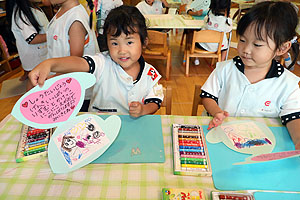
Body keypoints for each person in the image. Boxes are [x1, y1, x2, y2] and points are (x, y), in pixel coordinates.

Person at [28, 5, 164, 118]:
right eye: (115, 43)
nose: (122, 50)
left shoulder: (150, 73)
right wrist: (50, 63)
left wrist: (143, 110)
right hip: (98, 132)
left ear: (144, 42)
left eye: (129, 42)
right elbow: (80, 63)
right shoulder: (102, 62)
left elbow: (154, 101)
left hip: (132, 131)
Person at [200, 1, 300, 149]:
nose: (246, 49)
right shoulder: (225, 69)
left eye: (257, 45)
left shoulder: (288, 84)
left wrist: (298, 140)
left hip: (259, 146)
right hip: (219, 138)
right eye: (242, 40)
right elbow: (207, 95)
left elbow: (294, 118)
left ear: (282, 48)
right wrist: (216, 112)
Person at [46, 0, 100, 111]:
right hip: (62, 80)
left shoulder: (76, 19)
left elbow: (75, 61)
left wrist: (51, 80)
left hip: (76, 89)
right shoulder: (63, 10)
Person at [6, 0, 49, 81]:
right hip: (35, 56)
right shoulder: (22, 13)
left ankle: (27, 72)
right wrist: (52, 35)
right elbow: (32, 39)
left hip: (40, 52)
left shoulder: (33, 7)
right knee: (38, 79)